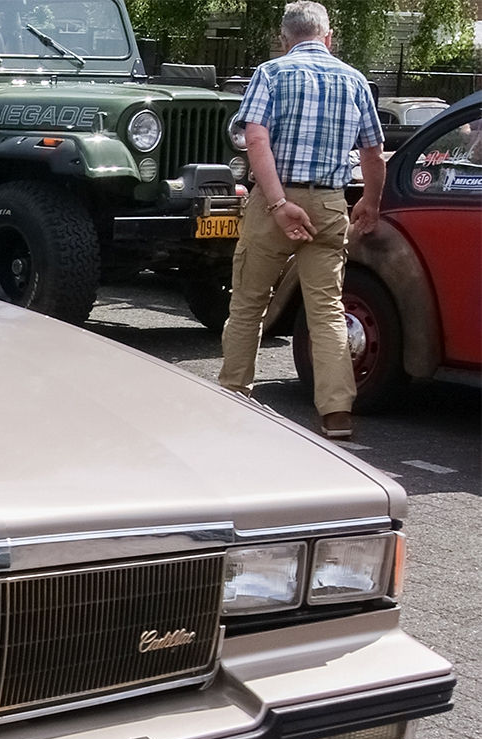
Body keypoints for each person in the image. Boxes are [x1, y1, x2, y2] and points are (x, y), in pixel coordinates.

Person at [217, 0, 385, 440]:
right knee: (327, 310)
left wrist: (277, 204)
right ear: (328, 37)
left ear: (284, 37)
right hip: (330, 203)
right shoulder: (354, 80)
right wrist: (369, 200)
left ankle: (233, 393)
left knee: (249, 302)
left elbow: (255, 138)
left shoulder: (270, 74)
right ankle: (335, 414)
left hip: (275, 201)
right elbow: (372, 152)